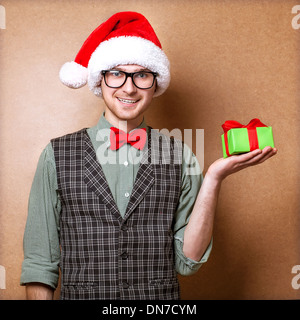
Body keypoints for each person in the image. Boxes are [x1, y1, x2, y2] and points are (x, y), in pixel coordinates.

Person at [20, 11, 277, 300]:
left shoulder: (180, 154)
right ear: (99, 80)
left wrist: (214, 177)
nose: (129, 88)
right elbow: (40, 263)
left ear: (155, 83)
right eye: (116, 73)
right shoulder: (56, 155)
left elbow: (188, 261)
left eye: (142, 75)